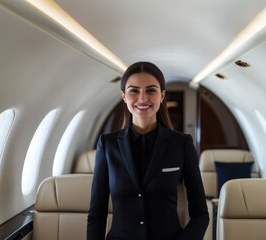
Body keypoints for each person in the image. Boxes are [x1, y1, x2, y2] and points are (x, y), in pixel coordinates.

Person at [87, 62, 209, 240]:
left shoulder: (181, 144)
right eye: (134, 91)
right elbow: (96, 215)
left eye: (151, 90)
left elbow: (201, 214)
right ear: (123, 95)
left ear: (162, 95)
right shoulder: (108, 145)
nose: (142, 98)